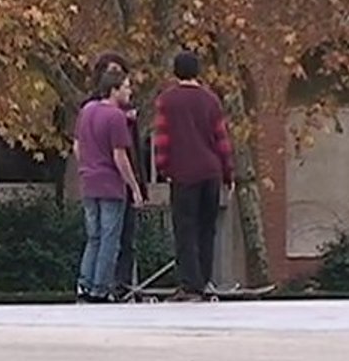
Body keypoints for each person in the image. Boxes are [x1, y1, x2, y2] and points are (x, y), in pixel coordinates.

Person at [153, 50, 235, 300]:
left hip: (183, 173)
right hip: (210, 171)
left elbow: (162, 138)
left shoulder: (167, 101)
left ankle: (191, 284)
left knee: (185, 228)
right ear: (197, 71)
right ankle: (205, 278)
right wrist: (228, 173)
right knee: (206, 228)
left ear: (175, 72)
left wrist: (163, 168)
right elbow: (222, 139)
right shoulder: (211, 101)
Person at [73, 66, 145, 302]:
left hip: (88, 181)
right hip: (110, 185)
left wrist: (86, 166)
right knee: (109, 238)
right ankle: (101, 288)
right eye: (125, 87)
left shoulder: (86, 111)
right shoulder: (115, 117)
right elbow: (120, 156)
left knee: (93, 236)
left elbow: (77, 147)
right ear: (114, 90)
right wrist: (134, 187)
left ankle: (84, 284)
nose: (129, 91)